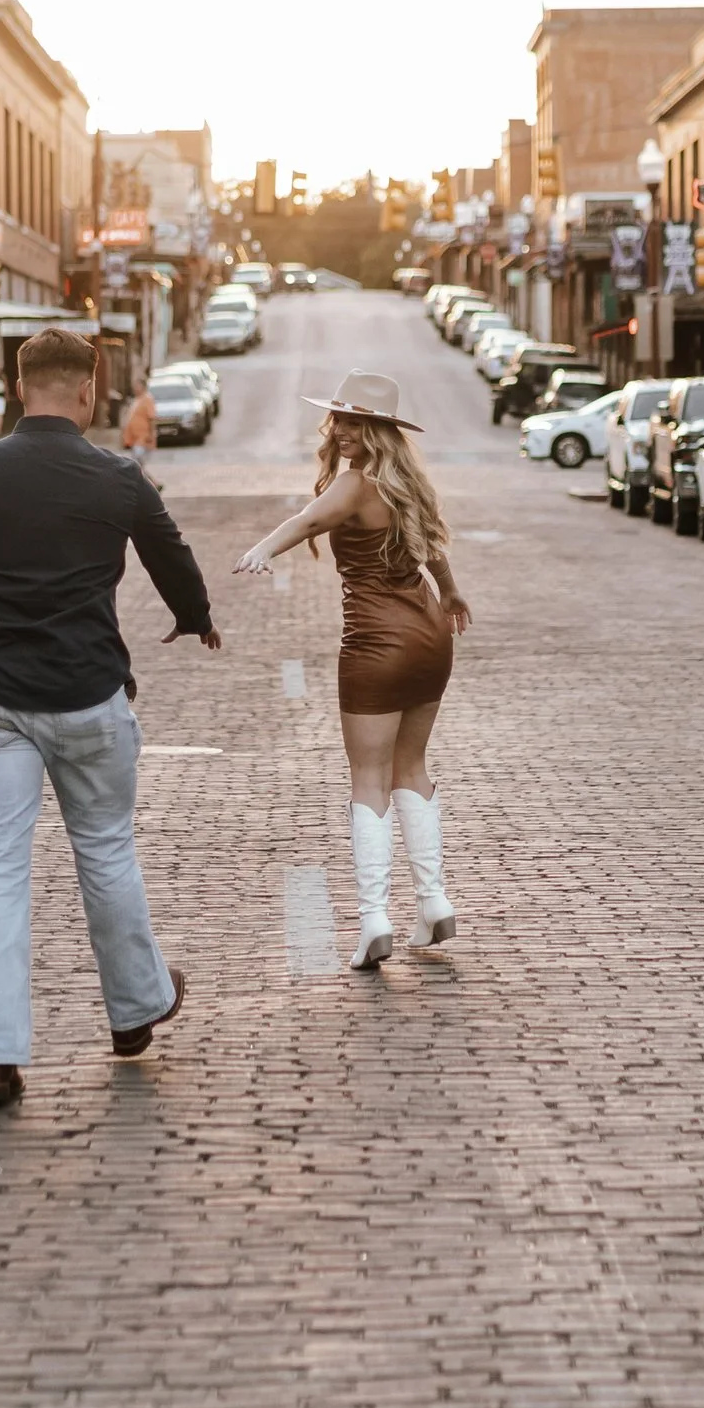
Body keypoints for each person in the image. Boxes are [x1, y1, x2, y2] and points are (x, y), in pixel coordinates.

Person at [0, 324, 218, 1112]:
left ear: (19, 387)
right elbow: (171, 553)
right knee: (107, 851)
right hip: (87, 697)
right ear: (88, 389)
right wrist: (194, 615)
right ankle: (136, 1011)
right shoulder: (116, 475)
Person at [232, 369, 469, 970]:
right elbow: (433, 551)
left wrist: (262, 549)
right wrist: (453, 594)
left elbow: (310, 521)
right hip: (431, 634)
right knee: (411, 766)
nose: (339, 430)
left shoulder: (356, 485)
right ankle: (434, 900)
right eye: (338, 419)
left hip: (377, 645)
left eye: (352, 421)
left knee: (368, 776)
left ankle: (373, 918)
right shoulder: (406, 484)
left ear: (375, 430)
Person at [121, 374, 159, 475]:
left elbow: (151, 418)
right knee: (137, 465)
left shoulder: (147, 399)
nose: (135, 388)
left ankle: (151, 484)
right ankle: (154, 484)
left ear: (143, 386)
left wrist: (151, 434)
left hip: (143, 437)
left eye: (137, 385)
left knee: (136, 463)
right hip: (135, 437)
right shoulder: (136, 400)